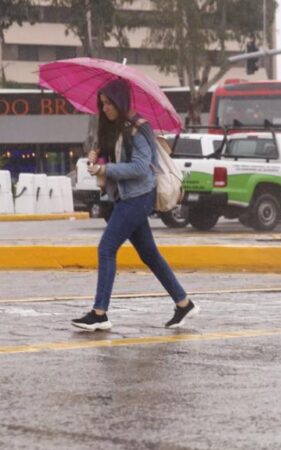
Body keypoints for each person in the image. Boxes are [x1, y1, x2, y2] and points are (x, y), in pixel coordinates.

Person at [72, 78, 197, 331]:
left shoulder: (140, 128)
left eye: (109, 103)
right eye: (103, 104)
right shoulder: (115, 128)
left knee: (106, 248)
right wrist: (98, 155)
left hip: (138, 197)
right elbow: (116, 156)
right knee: (149, 254)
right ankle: (184, 303)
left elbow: (141, 167)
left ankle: (100, 313)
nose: (105, 108)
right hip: (125, 197)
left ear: (120, 101)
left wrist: (105, 168)